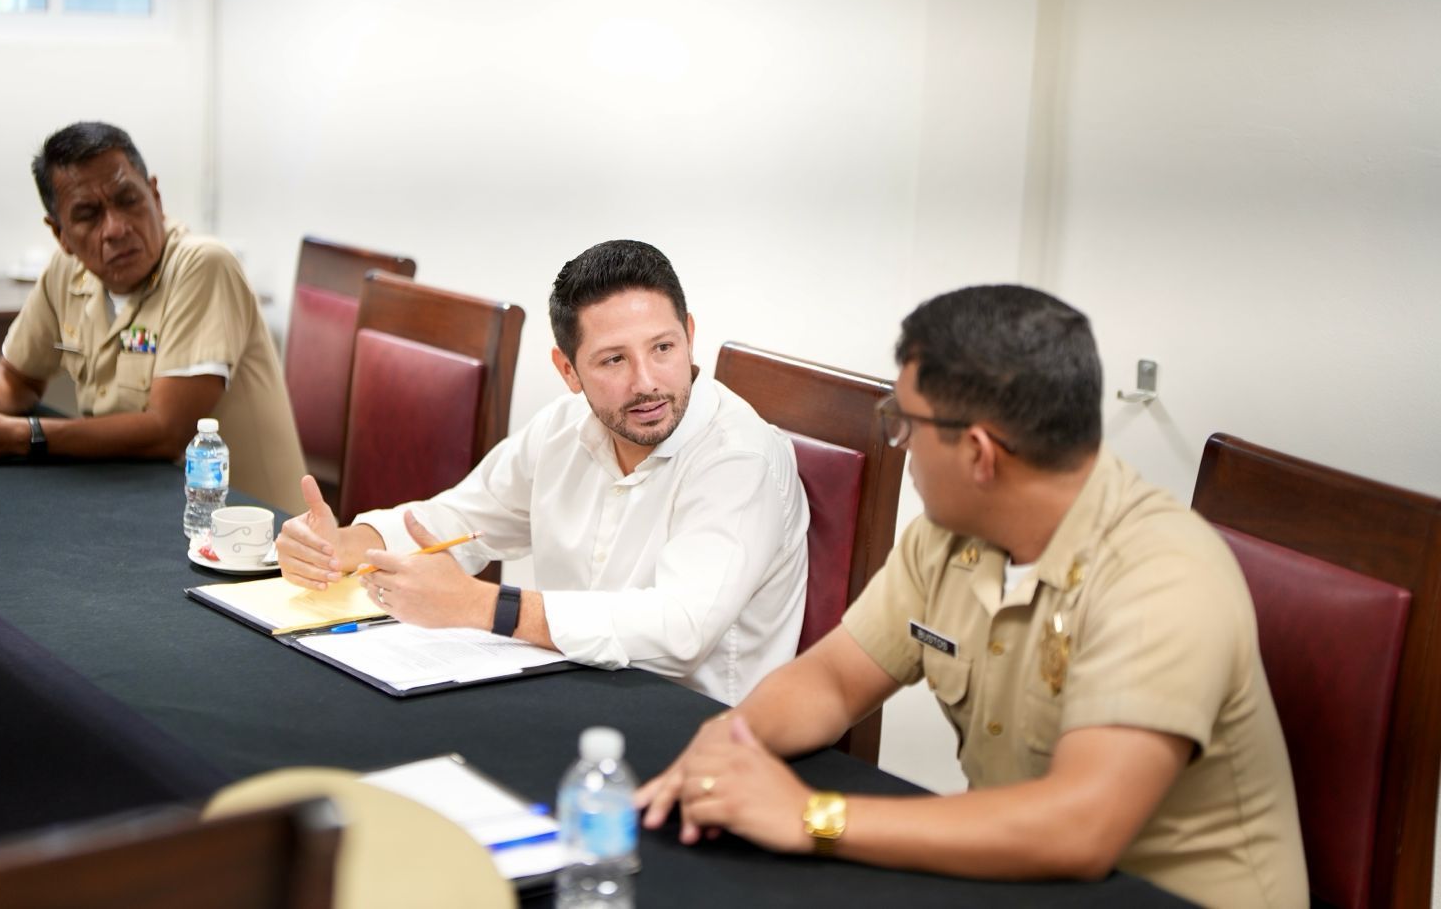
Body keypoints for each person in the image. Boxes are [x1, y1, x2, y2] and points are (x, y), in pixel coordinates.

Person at [635, 285, 1308, 909]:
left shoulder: (1160, 575)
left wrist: (813, 816)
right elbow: (833, 680)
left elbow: (1081, 827)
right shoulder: (949, 538)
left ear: (980, 454)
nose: (900, 442)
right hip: (1018, 880)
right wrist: (731, 740)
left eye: (907, 423)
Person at [276, 240, 809, 704]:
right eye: (614, 360)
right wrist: (344, 546)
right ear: (568, 370)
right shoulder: (563, 427)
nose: (647, 382)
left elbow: (680, 630)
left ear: (690, 335)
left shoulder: (740, 457)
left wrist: (486, 607)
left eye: (663, 348)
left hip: (701, 733)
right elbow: (462, 518)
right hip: (571, 692)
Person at [0, 121, 307, 513]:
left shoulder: (203, 266)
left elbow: (166, 431)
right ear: (60, 234)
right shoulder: (67, 272)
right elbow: (17, 378)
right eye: (88, 215)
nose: (116, 229)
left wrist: (17, 435)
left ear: (155, 196)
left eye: (128, 200)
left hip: (252, 533)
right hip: (138, 505)